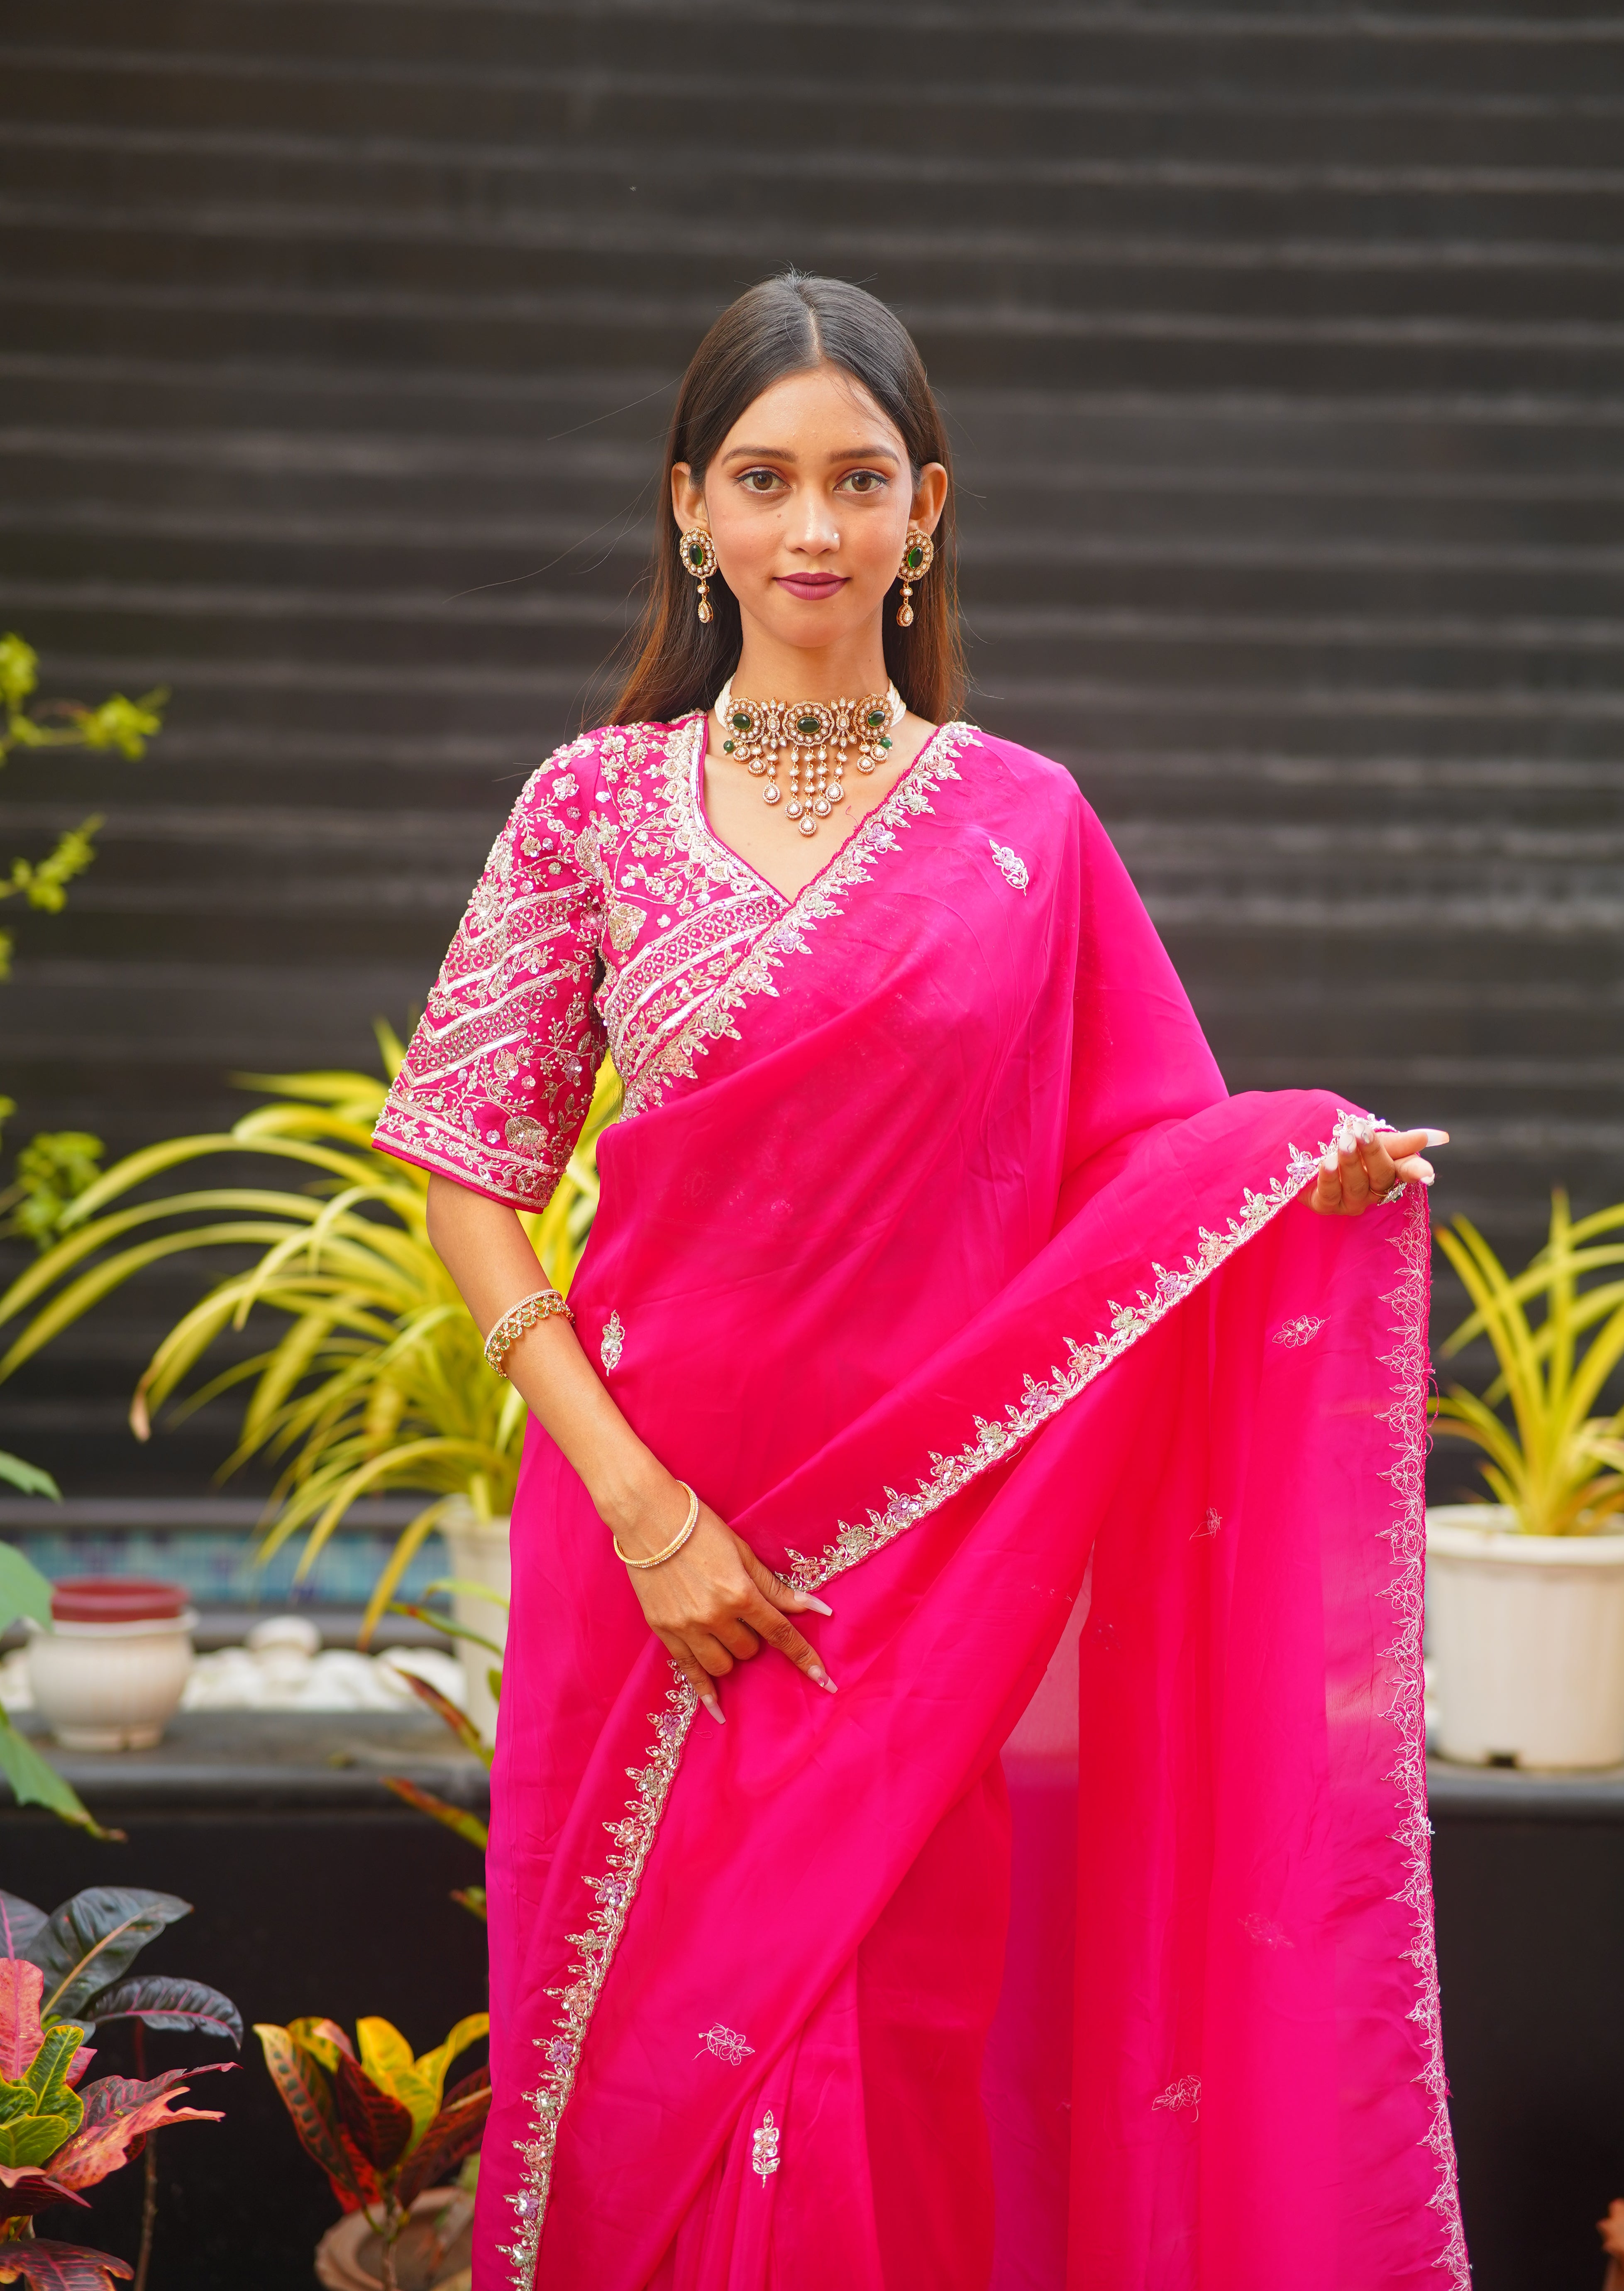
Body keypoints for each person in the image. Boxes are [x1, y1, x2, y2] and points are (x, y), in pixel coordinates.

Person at [374, 272, 1465, 2291]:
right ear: (690, 509)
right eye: (767, 480)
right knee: (638, 2062)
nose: (813, 530)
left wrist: (1308, 1167)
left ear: (927, 507)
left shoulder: (1025, 830)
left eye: (856, 480)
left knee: (908, 2034)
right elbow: (463, 1168)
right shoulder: (590, 805)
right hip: (649, 1548)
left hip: (931, 1560)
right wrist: (643, 1508)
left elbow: (1152, 1164)